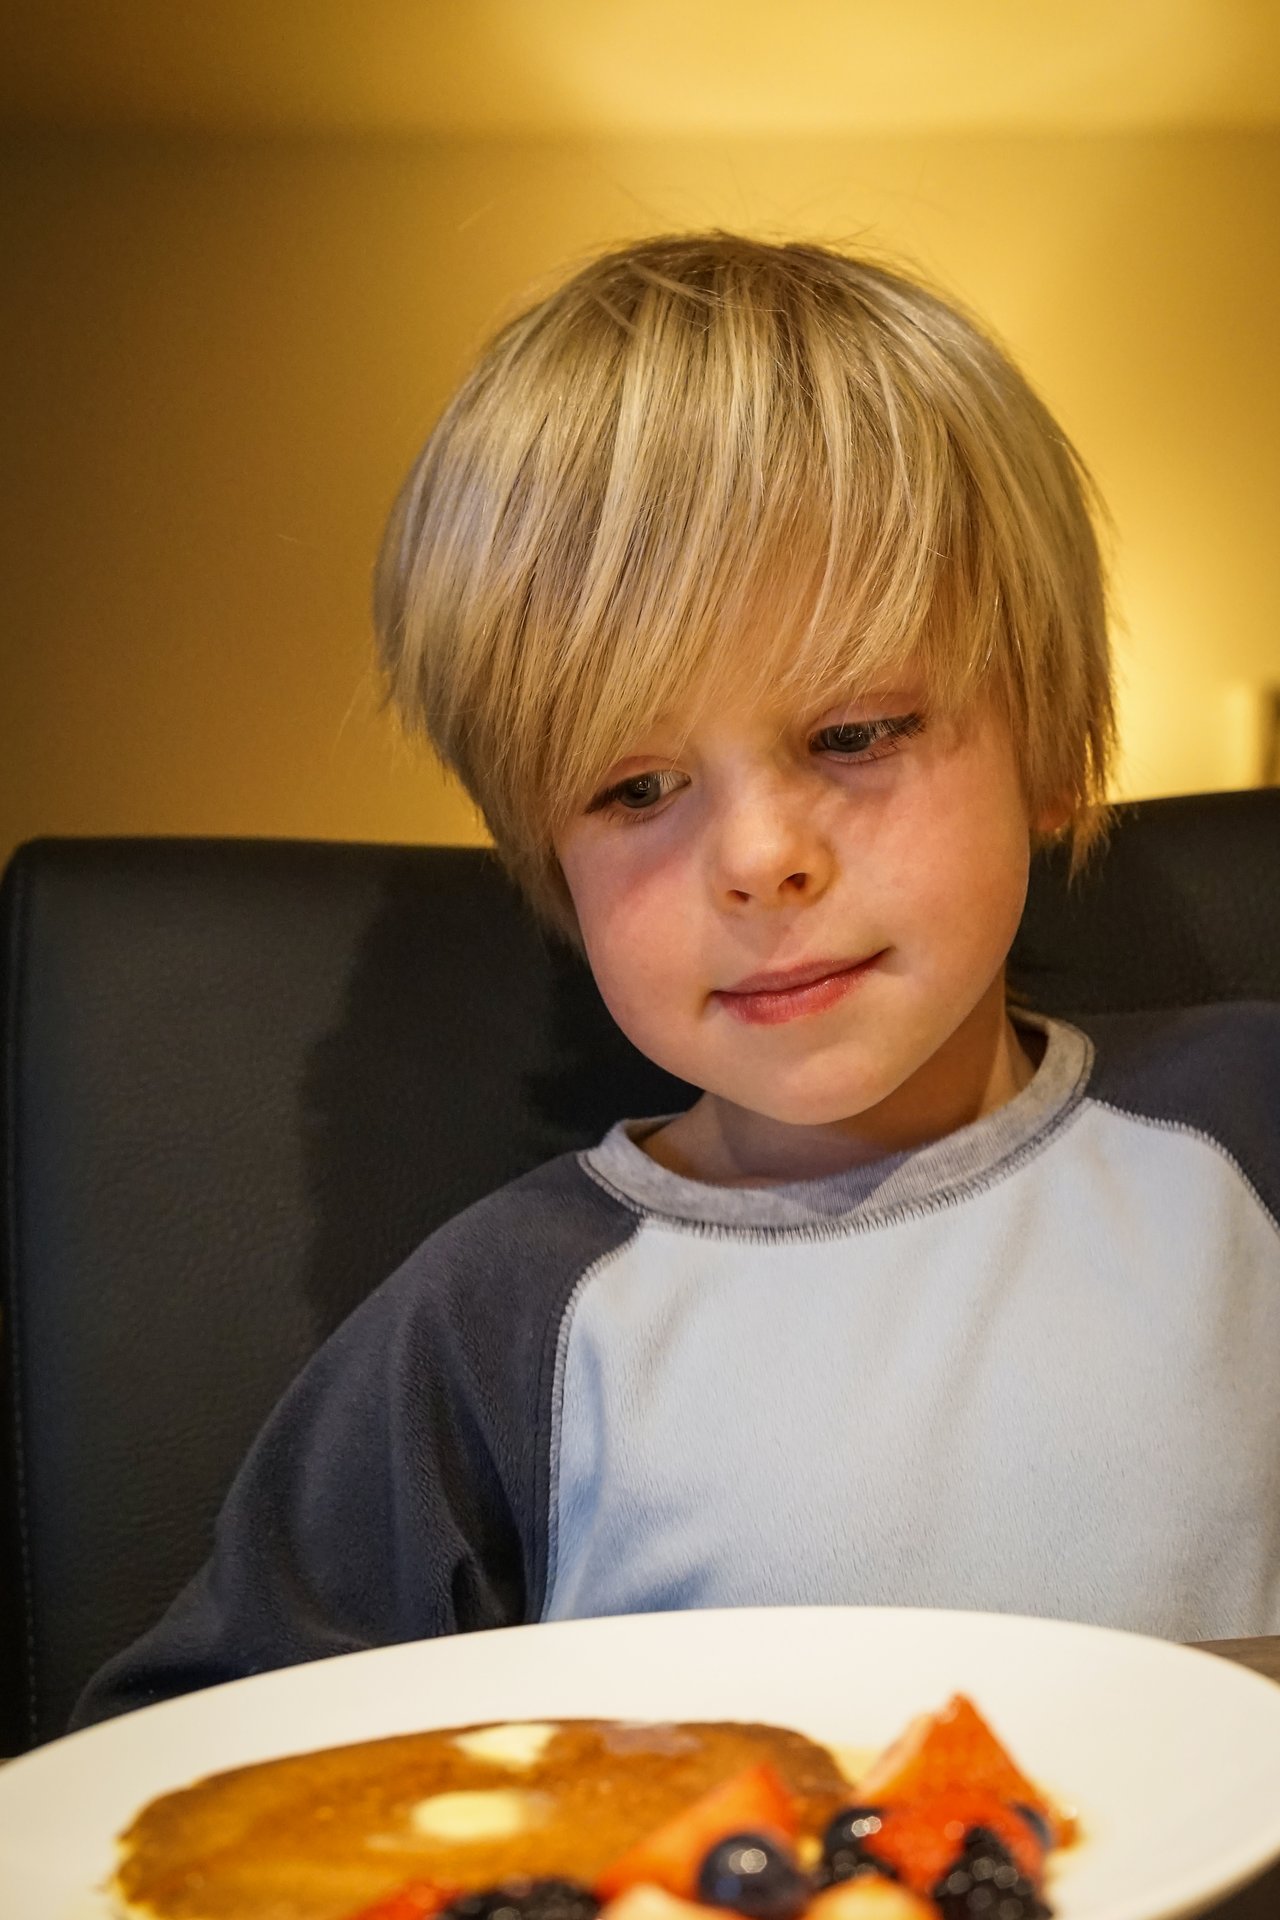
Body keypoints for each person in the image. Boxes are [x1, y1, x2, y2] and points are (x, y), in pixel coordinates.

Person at [72, 233, 1280, 1731]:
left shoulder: (1251, 1129)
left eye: (856, 734)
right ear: (550, 863)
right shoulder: (497, 1321)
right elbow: (181, 1770)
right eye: (637, 787)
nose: (760, 858)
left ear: (1044, 743)